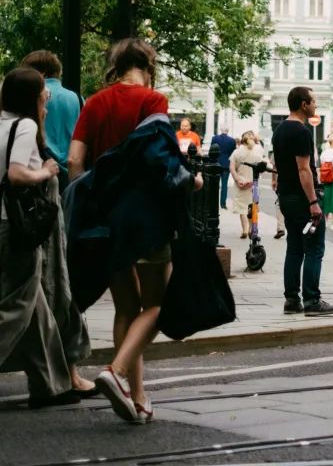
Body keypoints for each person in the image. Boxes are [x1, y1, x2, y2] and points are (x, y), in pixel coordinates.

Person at [69, 38, 192, 424]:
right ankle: (117, 372)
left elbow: (75, 158)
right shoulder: (152, 101)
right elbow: (162, 164)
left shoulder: (95, 102)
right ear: (148, 65)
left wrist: (92, 201)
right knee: (160, 302)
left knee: (127, 306)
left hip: (106, 222)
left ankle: (136, 396)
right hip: (146, 218)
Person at [0, 67, 93, 409]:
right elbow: (16, 173)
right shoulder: (23, 126)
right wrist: (46, 171)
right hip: (15, 228)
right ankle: (51, 384)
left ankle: (51, 385)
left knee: (37, 308)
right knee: (16, 306)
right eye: (44, 98)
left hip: (4, 225)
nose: (47, 106)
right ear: (31, 99)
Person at [271, 87, 333, 318]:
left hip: (287, 196)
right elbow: (304, 170)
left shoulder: (279, 129)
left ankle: (292, 299)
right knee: (314, 249)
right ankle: (312, 300)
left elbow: (279, 165)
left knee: (294, 247)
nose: (315, 105)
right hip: (303, 199)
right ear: (303, 104)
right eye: (313, 102)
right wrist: (313, 202)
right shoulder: (301, 132)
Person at [19, 51, 80, 189]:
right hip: (72, 172)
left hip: (41, 170)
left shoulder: (31, 96)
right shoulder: (78, 99)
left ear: (41, 73)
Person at [229, 131, 272, 239]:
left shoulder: (237, 152)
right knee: (252, 206)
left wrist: (237, 178)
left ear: (242, 140)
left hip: (241, 182)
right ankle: (252, 228)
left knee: (242, 208)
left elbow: (232, 168)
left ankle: (245, 229)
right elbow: (263, 166)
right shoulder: (258, 150)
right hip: (254, 183)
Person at [210, 127, 237, 210]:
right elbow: (233, 153)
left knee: (215, 184)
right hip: (226, 164)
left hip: (216, 163)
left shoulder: (214, 138)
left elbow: (211, 151)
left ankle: (214, 203)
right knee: (224, 185)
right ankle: (223, 204)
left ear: (221, 130)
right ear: (227, 131)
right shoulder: (232, 140)